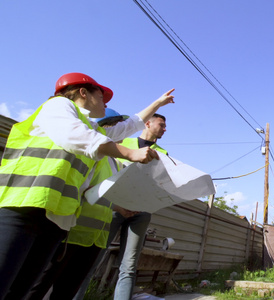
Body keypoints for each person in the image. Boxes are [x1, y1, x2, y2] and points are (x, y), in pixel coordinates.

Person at [0, 72, 174, 300]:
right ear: (83, 92)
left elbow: (128, 126)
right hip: (23, 208)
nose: (105, 103)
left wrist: (157, 103)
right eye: (102, 97)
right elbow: (77, 136)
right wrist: (131, 152)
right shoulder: (58, 105)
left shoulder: (94, 129)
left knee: (19, 291)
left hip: (56, 219)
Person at [26, 109, 134, 300]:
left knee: (66, 292)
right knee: (37, 288)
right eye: (118, 128)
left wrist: (123, 205)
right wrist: (117, 206)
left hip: (95, 238)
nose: (123, 133)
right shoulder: (88, 153)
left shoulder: (116, 164)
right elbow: (84, 187)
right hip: (71, 234)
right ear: (104, 127)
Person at [111, 113, 169, 300]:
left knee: (128, 266)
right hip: (114, 206)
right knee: (91, 259)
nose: (164, 129)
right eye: (161, 124)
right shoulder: (122, 142)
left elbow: (160, 183)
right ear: (148, 123)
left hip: (141, 212)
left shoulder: (163, 154)